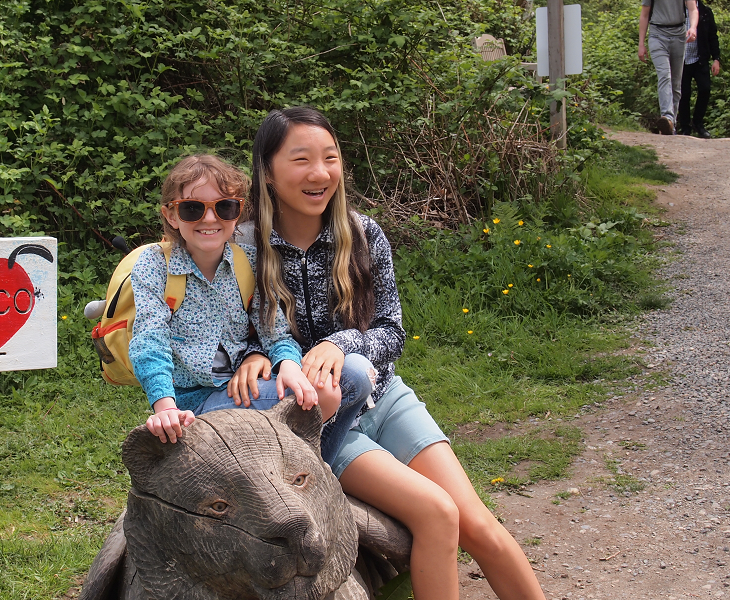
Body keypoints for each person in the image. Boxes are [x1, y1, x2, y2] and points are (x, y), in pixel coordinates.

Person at [230, 107, 546, 600]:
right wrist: (252, 356)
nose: (320, 173)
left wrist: (341, 343)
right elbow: (229, 330)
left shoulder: (362, 233)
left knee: (478, 524)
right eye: (302, 160)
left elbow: (391, 330)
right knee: (437, 514)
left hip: (386, 396)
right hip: (326, 420)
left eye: (330, 158)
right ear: (268, 172)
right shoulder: (244, 248)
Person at [129, 154, 364, 448]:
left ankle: (311, 468)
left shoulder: (248, 263)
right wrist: (166, 408)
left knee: (354, 378)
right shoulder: (154, 265)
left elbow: (275, 332)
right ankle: (305, 470)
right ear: (171, 216)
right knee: (326, 395)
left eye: (224, 207)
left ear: (238, 212)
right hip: (191, 404)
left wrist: (289, 365)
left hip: (242, 387)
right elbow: (149, 340)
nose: (210, 219)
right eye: (192, 209)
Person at [638, 0, 699, 135]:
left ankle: (671, 125)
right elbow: (644, 14)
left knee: (676, 83)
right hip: (657, 34)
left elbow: (693, 9)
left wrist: (693, 27)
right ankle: (667, 117)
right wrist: (641, 43)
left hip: (679, 35)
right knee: (664, 75)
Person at [678, 0, 721, 138]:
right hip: (681, 60)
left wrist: (716, 59)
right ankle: (685, 127)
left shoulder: (705, 12)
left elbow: (712, 37)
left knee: (705, 89)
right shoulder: (676, 12)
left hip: (699, 59)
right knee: (684, 94)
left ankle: (698, 123)